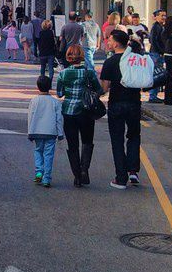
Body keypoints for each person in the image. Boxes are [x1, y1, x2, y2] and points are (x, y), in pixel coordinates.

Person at [100, 30, 143, 189]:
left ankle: (121, 178)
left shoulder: (110, 62)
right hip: (134, 102)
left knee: (117, 140)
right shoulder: (134, 60)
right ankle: (133, 170)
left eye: (110, 40)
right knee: (134, 136)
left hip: (116, 103)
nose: (108, 42)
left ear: (117, 43)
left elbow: (104, 88)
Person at [56, 44, 102, 188]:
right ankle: (84, 170)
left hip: (68, 112)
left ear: (68, 57)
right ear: (81, 56)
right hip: (85, 112)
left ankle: (76, 175)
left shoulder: (63, 74)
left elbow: (59, 93)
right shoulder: (89, 73)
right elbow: (99, 90)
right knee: (87, 141)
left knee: (72, 144)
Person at [27, 75, 62, 188]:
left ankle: (39, 171)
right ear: (50, 87)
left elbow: (30, 117)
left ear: (38, 87)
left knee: (38, 151)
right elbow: (59, 119)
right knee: (49, 154)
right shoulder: (55, 102)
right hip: (51, 132)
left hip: (37, 130)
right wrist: (60, 133)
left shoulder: (34, 101)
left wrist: (30, 131)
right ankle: (46, 178)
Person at [147, 10, 167, 103]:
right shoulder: (156, 27)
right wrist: (161, 51)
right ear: (156, 17)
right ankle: (153, 96)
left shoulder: (160, 26)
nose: (164, 17)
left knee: (158, 74)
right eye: (162, 15)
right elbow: (154, 40)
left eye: (165, 15)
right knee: (156, 74)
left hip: (157, 53)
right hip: (156, 54)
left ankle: (154, 95)